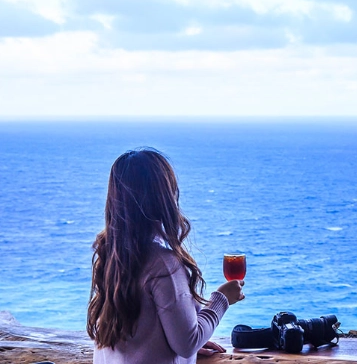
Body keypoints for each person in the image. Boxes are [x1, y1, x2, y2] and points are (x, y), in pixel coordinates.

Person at [86, 148, 245, 363]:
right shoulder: (163, 264)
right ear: (164, 199)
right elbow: (187, 343)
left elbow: (141, 334)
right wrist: (221, 299)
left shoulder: (111, 256)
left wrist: (186, 337)